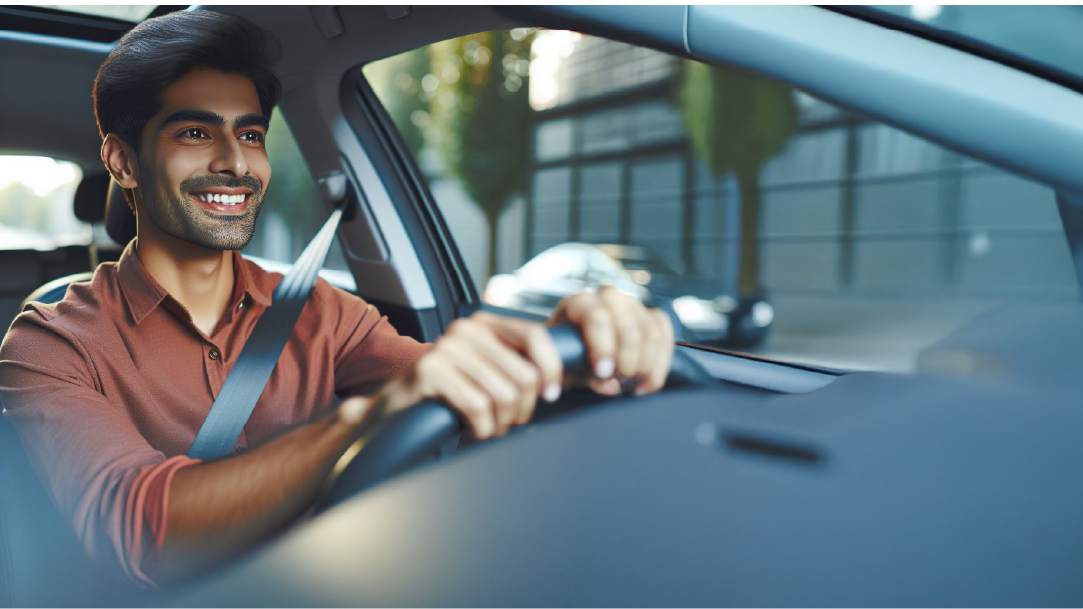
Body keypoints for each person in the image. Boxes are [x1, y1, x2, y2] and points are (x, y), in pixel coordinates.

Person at [0, 10, 674, 589]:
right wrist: (360, 421)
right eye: (196, 132)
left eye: (252, 133)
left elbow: (454, 391)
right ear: (121, 161)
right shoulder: (49, 343)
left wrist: (580, 353)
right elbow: (140, 528)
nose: (236, 162)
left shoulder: (322, 312)